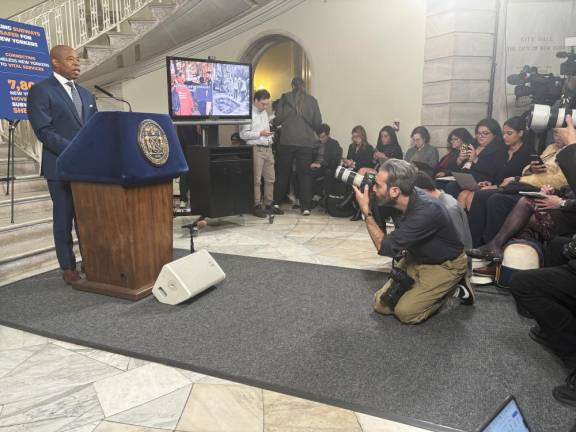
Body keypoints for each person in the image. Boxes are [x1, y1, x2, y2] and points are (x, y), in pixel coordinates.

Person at [352, 159, 471, 324]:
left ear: (394, 191)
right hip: (416, 256)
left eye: (377, 185)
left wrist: (366, 212)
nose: (373, 188)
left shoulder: (426, 211)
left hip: (444, 264)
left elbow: (385, 247)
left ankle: (453, 288)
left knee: (406, 313)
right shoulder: (402, 196)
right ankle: (430, 289)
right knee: (382, 306)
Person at [26, 45, 98, 285]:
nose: (76, 63)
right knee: (64, 219)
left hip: (87, 168)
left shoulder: (87, 95)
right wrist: (74, 150)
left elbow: (94, 129)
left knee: (87, 219)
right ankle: (67, 267)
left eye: (77, 59)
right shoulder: (41, 91)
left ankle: (90, 260)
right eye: (70, 59)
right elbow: (43, 130)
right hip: (60, 167)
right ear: (55, 63)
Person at [273, 77, 322, 216]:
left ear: (292, 85)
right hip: (305, 142)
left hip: (287, 141)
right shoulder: (312, 101)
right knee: (305, 175)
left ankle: (276, 202)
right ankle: (305, 207)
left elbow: (279, 119)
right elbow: (318, 123)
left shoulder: (285, 97)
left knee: (283, 173)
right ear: (303, 86)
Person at [240, 89, 283, 218]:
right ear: (256, 100)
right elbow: (243, 134)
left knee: (271, 178)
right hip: (256, 149)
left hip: (268, 148)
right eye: (263, 104)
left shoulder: (264, 113)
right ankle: (256, 205)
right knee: (256, 180)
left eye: (267, 104)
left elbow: (265, 129)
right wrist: (260, 133)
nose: (265, 107)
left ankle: (268, 205)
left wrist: (270, 136)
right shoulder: (248, 114)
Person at [444, 118, 505, 198]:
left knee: (460, 191)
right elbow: (458, 167)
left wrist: (476, 160)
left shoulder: (499, 149)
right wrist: (460, 159)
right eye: (478, 133)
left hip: (483, 181)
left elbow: (494, 171)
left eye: (485, 133)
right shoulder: (472, 144)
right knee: (450, 186)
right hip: (466, 180)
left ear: (494, 135)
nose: (481, 136)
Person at [414, 172, 472, 249]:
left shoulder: (448, 208)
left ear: (422, 191)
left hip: (454, 257)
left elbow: (458, 242)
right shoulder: (438, 202)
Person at [310, 124, 342, 205]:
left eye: (323, 137)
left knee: (328, 172)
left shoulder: (334, 144)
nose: (321, 139)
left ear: (328, 135)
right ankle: (304, 199)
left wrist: (320, 165)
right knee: (301, 172)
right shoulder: (316, 144)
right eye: (319, 137)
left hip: (326, 167)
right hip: (315, 166)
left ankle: (323, 198)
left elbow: (334, 160)